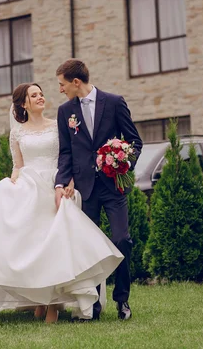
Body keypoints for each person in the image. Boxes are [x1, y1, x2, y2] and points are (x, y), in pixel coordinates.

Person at [0, 82, 123, 323]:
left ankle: (54, 303)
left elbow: (68, 157)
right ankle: (39, 300)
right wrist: (12, 180)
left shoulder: (58, 125)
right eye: (34, 95)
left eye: (41, 94)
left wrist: (68, 181)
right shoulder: (18, 132)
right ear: (23, 103)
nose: (41, 97)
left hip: (56, 183)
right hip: (30, 184)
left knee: (55, 243)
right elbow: (18, 165)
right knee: (33, 243)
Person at [55, 59, 142, 321]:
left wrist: (124, 162)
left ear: (76, 82)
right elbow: (66, 152)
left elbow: (135, 141)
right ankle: (91, 305)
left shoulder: (114, 102)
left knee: (120, 240)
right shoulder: (65, 111)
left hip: (113, 186)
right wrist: (62, 181)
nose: (60, 89)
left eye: (62, 84)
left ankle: (122, 300)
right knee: (88, 247)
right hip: (85, 188)